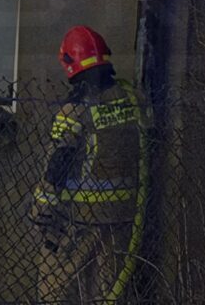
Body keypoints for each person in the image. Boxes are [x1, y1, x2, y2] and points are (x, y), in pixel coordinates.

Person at [32, 25, 145, 304]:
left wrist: (42, 208)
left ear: (69, 62)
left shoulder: (74, 110)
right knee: (107, 291)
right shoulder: (132, 99)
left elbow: (58, 162)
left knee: (54, 290)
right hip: (123, 216)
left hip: (79, 219)